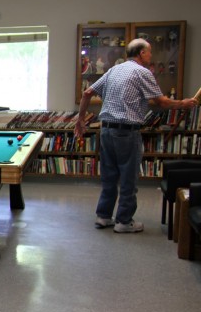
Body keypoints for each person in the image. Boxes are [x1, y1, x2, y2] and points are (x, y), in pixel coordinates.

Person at [75, 38, 198, 232]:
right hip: (126, 131)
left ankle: (103, 216)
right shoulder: (143, 72)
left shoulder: (114, 70)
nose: (151, 56)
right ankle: (124, 222)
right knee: (128, 178)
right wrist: (183, 103)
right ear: (141, 53)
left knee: (109, 176)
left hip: (105, 130)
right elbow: (161, 102)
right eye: (149, 52)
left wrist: (80, 120)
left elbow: (87, 93)